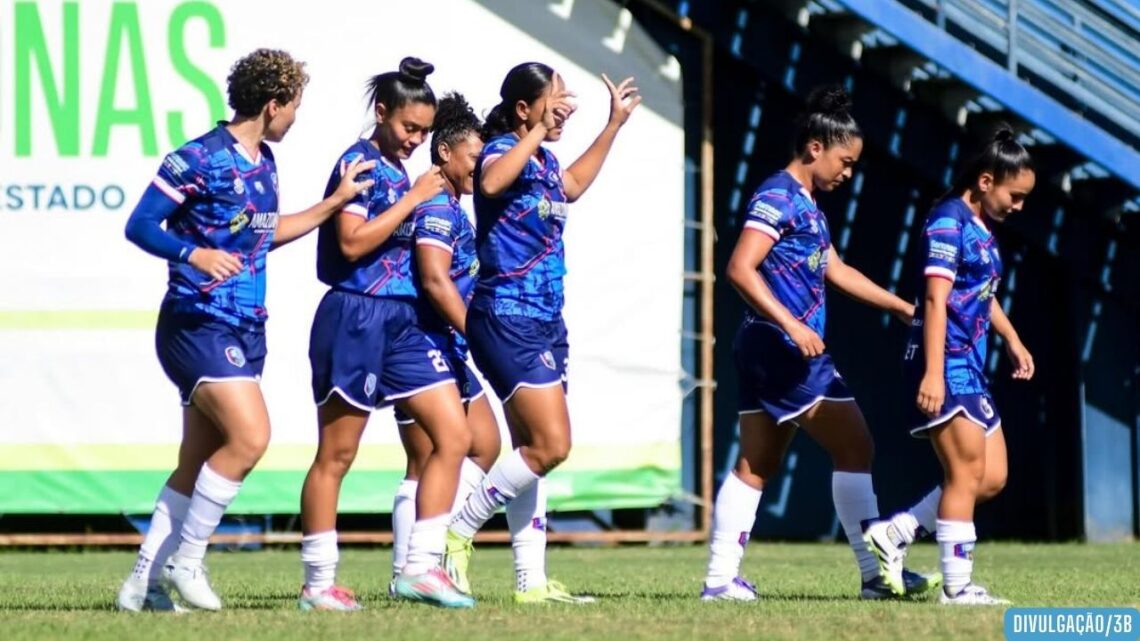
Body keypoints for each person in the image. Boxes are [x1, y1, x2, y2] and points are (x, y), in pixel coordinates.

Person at [117, 48, 375, 612]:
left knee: (196, 461)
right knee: (252, 436)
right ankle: (187, 561)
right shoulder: (198, 158)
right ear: (273, 103)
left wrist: (334, 204)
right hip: (197, 323)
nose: (296, 118)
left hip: (245, 326)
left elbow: (265, 233)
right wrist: (194, 254)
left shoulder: (265, 163)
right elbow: (138, 224)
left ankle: (141, 586)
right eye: (295, 107)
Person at [699, 86, 935, 602]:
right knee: (856, 446)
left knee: (756, 463)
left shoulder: (807, 206)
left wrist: (901, 308)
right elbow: (739, 268)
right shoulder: (777, 196)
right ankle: (876, 575)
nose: (848, 173)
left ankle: (720, 580)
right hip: (782, 348)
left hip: (769, 346)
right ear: (814, 148)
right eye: (844, 161)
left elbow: (837, 270)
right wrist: (793, 325)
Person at [443, 62, 639, 604]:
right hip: (507, 316)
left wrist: (612, 125)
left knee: (531, 450)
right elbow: (489, 181)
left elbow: (571, 185)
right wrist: (535, 127)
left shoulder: (546, 160)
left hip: (547, 320)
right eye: (553, 101)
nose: (563, 109)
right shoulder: (502, 148)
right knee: (552, 445)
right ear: (524, 108)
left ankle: (530, 584)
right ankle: (458, 530)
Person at [299, 58, 473, 610]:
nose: (416, 140)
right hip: (355, 314)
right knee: (337, 453)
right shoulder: (360, 164)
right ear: (382, 112)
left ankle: (419, 569)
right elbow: (350, 244)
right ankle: (318, 582)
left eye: (424, 131)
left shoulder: (404, 173)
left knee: (454, 436)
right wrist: (414, 198)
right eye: (408, 128)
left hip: (404, 322)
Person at [864, 126, 1036, 606]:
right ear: (985, 180)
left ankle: (896, 533)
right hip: (948, 363)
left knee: (992, 477)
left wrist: (1013, 338)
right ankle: (957, 588)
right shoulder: (947, 221)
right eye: (1015, 195)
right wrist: (934, 373)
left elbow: (982, 295)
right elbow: (936, 301)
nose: (1019, 206)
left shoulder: (983, 231)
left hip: (972, 367)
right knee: (964, 475)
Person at [389, 92, 501, 588]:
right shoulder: (435, 207)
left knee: (485, 444)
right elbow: (433, 280)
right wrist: (476, 333)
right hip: (418, 345)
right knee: (424, 458)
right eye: (475, 158)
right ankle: (408, 570)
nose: (480, 168)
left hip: (449, 349)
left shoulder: (457, 207)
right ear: (445, 154)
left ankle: (440, 548)